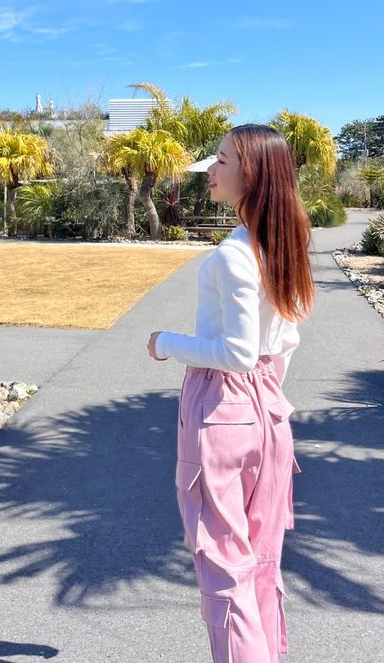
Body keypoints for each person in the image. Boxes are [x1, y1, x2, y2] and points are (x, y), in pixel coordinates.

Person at [147, 123, 315, 662]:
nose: (211, 170)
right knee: (261, 558)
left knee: (223, 564)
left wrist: (166, 343)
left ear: (252, 173)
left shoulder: (233, 254)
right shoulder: (283, 245)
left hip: (222, 406)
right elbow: (284, 341)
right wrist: (263, 396)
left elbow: (237, 353)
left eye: (221, 160)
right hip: (270, 409)